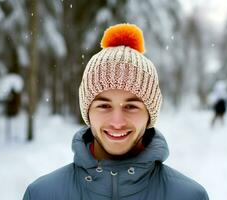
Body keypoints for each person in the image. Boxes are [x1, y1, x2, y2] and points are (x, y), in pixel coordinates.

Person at [23, 23, 209, 200]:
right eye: (104, 106)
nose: (117, 122)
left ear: (149, 115)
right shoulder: (42, 194)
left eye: (131, 106)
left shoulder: (189, 196)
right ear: (87, 112)